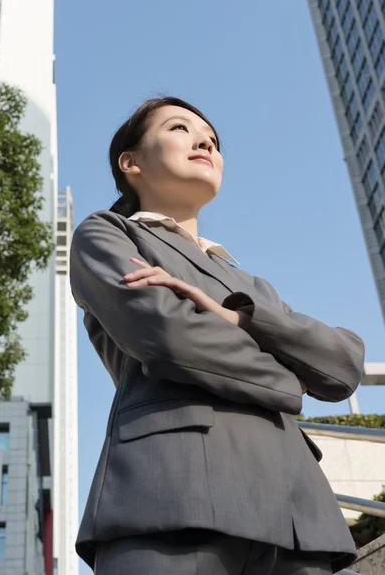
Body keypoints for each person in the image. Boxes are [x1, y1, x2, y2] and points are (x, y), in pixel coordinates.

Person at [70, 97, 365, 575]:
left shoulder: (252, 285)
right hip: (172, 493)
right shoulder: (107, 235)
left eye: (212, 137)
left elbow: (343, 364)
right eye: (180, 128)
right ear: (131, 162)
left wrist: (240, 320)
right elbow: (169, 336)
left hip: (300, 515)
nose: (205, 140)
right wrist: (292, 380)